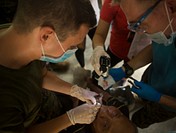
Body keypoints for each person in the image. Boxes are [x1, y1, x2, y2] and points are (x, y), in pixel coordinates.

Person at [0, 0, 101, 132]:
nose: (72, 50)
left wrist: (77, 91)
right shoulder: (5, 99)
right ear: (46, 36)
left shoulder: (23, 36)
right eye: (71, 45)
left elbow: (41, 74)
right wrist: (69, 119)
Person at [109, 0, 176, 128]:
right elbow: (158, 46)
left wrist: (160, 98)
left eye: (140, 25)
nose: (140, 33)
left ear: (172, 7)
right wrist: (127, 68)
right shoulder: (171, 25)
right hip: (152, 78)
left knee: (141, 118)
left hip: (168, 105)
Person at [65, 77, 137, 133]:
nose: (104, 112)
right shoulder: (122, 109)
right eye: (115, 114)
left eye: (105, 125)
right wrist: (90, 85)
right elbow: (106, 96)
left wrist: (75, 102)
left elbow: (69, 119)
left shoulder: (80, 130)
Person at [90, 0, 136, 77]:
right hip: (116, 48)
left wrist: (128, 68)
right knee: (98, 75)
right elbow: (99, 34)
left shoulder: (158, 7)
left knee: (124, 77)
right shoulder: (112, 2)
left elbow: (153, 46)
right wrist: (98, 49)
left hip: (138, 54)